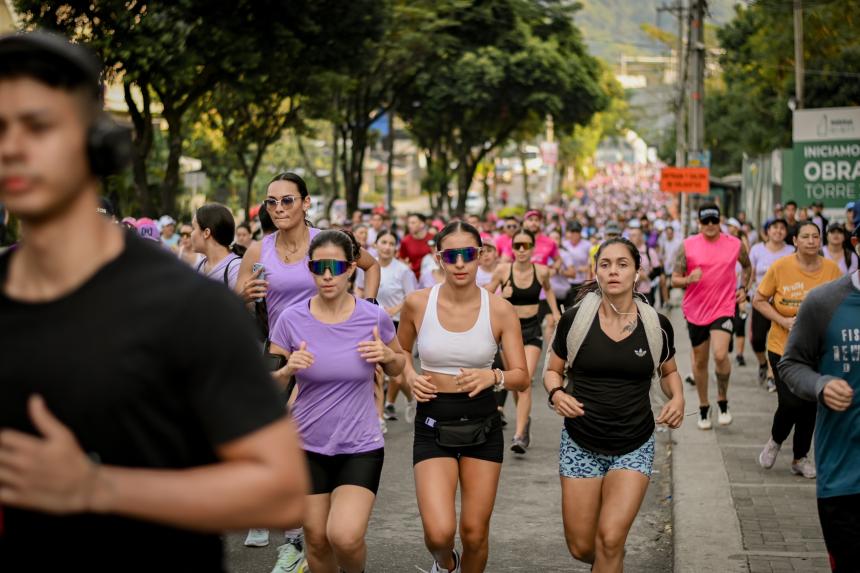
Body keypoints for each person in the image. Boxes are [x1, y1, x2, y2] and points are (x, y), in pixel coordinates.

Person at [0, 30, 307, 571]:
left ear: (97, 142)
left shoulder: (188, 306)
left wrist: (96, 487)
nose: (12, 148)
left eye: (38, 125)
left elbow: (278, 491)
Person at [544, 238, 684, 573]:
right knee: (581, 546)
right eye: (605, 264)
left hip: (634, 443)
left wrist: (678, 398)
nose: (613, 271)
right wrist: (557, 394)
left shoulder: (656, 325)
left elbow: (669, 372)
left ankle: (611, 555)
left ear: (637, 272)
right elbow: (552, 370)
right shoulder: (575, 320)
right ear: (596, 271)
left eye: (622, 264)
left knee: (610, 539)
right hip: (580, 442)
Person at [269, 230, 405, 573]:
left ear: (351, 269)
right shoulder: (290, 319)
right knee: (316, 540)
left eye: (336, 266)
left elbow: (400, 364)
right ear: (310, 269)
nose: (327, 275)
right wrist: (287, 369)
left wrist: (387, 356)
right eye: (319, 267)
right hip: (306, 445)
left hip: (360, 444)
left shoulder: (373, 317)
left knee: (344, 536)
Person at [398, 221, 529, 573]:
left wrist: (493, 375)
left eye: (468, 254)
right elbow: (399, 352)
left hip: (482, 423)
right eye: (451, 255)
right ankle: (446, 563)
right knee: (439, 534)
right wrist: (410, 376)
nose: (459, 263)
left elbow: (521, 376)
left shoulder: (500, 309)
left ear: (480, 255)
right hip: (433, 420)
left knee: (474, 533)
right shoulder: (417, 303)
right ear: (438, 258)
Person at [778, 225, 860, 572]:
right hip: (845, 476)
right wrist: (821, 384)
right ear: (856, 244)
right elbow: (791, 364)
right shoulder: (824, 302)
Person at [237, 172, 381, 332]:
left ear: (306, 203)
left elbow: (372, 266)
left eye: (287, 201)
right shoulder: (257, 250)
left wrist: (369, 308)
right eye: (271, 202)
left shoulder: (328, 241)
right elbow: (235, 304)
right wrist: (244, 297)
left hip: (329, 340)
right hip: (281, 345)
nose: (278, 209)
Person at [754, 221, 841, 479]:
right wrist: (782, 320)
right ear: (795, 241)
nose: (811, 241)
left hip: (817, 350)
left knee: (810, 404)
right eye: (805, 237)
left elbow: (842, 302)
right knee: (791, 401)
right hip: (783, 348)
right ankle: (776, 439)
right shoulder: (781, 267)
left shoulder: (832, 269)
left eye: (816, 236)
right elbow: (759, 300)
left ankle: (800, 458)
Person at [672, 204, 751, 430]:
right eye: (705, 221)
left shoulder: (734, 244)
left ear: (720, 221)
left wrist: (743, 288)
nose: (709, 225)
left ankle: (723, 401)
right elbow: (674, 279)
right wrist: (689, 279)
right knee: (700, 361)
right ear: (699, 223)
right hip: (695, 310)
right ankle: (704, 406)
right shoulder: (687, 245)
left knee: (720, 354)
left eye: (713, 221)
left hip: (723, 307)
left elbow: (747, 267)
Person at [484, 228, 561, 454]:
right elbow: (486, 296)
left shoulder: (542, 271)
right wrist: (502, 296)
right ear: (512, 248)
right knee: (516, 382)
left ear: (532, 248)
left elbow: (549, 291)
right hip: (509, 332)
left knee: (524, 379)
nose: (521, 250)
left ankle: (519, 436)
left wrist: (556, 313)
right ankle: (524, 421)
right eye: (517, 245)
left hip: (532, 330)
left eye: (525, 245)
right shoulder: (503, 270)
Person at [373, 230, 419, 424]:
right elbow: (360, 289)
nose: (387, 247)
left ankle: (410, 398)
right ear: (375, 244)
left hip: (397, 323)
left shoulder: (403, 270)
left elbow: (412, 297)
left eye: (391, 243)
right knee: (376, 370)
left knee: (397, 377)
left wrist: (394, 309)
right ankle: (378, 416)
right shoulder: (369, 267)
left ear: (396, 248)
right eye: (383, 242)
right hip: (373, 322)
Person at [748, 218, 794, 392]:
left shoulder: (791, 251)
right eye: (775, 227)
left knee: (776, 341)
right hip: (761, 302)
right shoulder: (757, 249)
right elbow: (750, 274)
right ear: (767, 231)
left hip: (782, 304)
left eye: (782, 228)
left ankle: (771, 375)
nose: (778, 231)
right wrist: (744, 293)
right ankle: (762, 363)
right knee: (758, 340)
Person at [191, 203, 243, 290]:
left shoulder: (236, 269)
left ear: (206, 233)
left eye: (193, 228)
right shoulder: (199, 266)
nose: (191, 234)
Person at [399, 212, 434, 279]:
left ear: (422, 224)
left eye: (413, 223)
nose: (409, 225)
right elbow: (401, 258)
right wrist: (406, 266)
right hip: (414, 277)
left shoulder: (432, 238)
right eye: (409, 223)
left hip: (431, 277)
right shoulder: (405, 241)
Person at [659, 224, 683, 310]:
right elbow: (661, 255)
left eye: (670, 233)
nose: (669, 234)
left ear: (673, 233)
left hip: (674, 268)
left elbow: (681, 255)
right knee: (664, 283)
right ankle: (666, 302)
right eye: (667, 233)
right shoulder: (664, 243)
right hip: (666, 268)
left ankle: (671, 301)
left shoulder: (677, 243)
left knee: (670, 284)